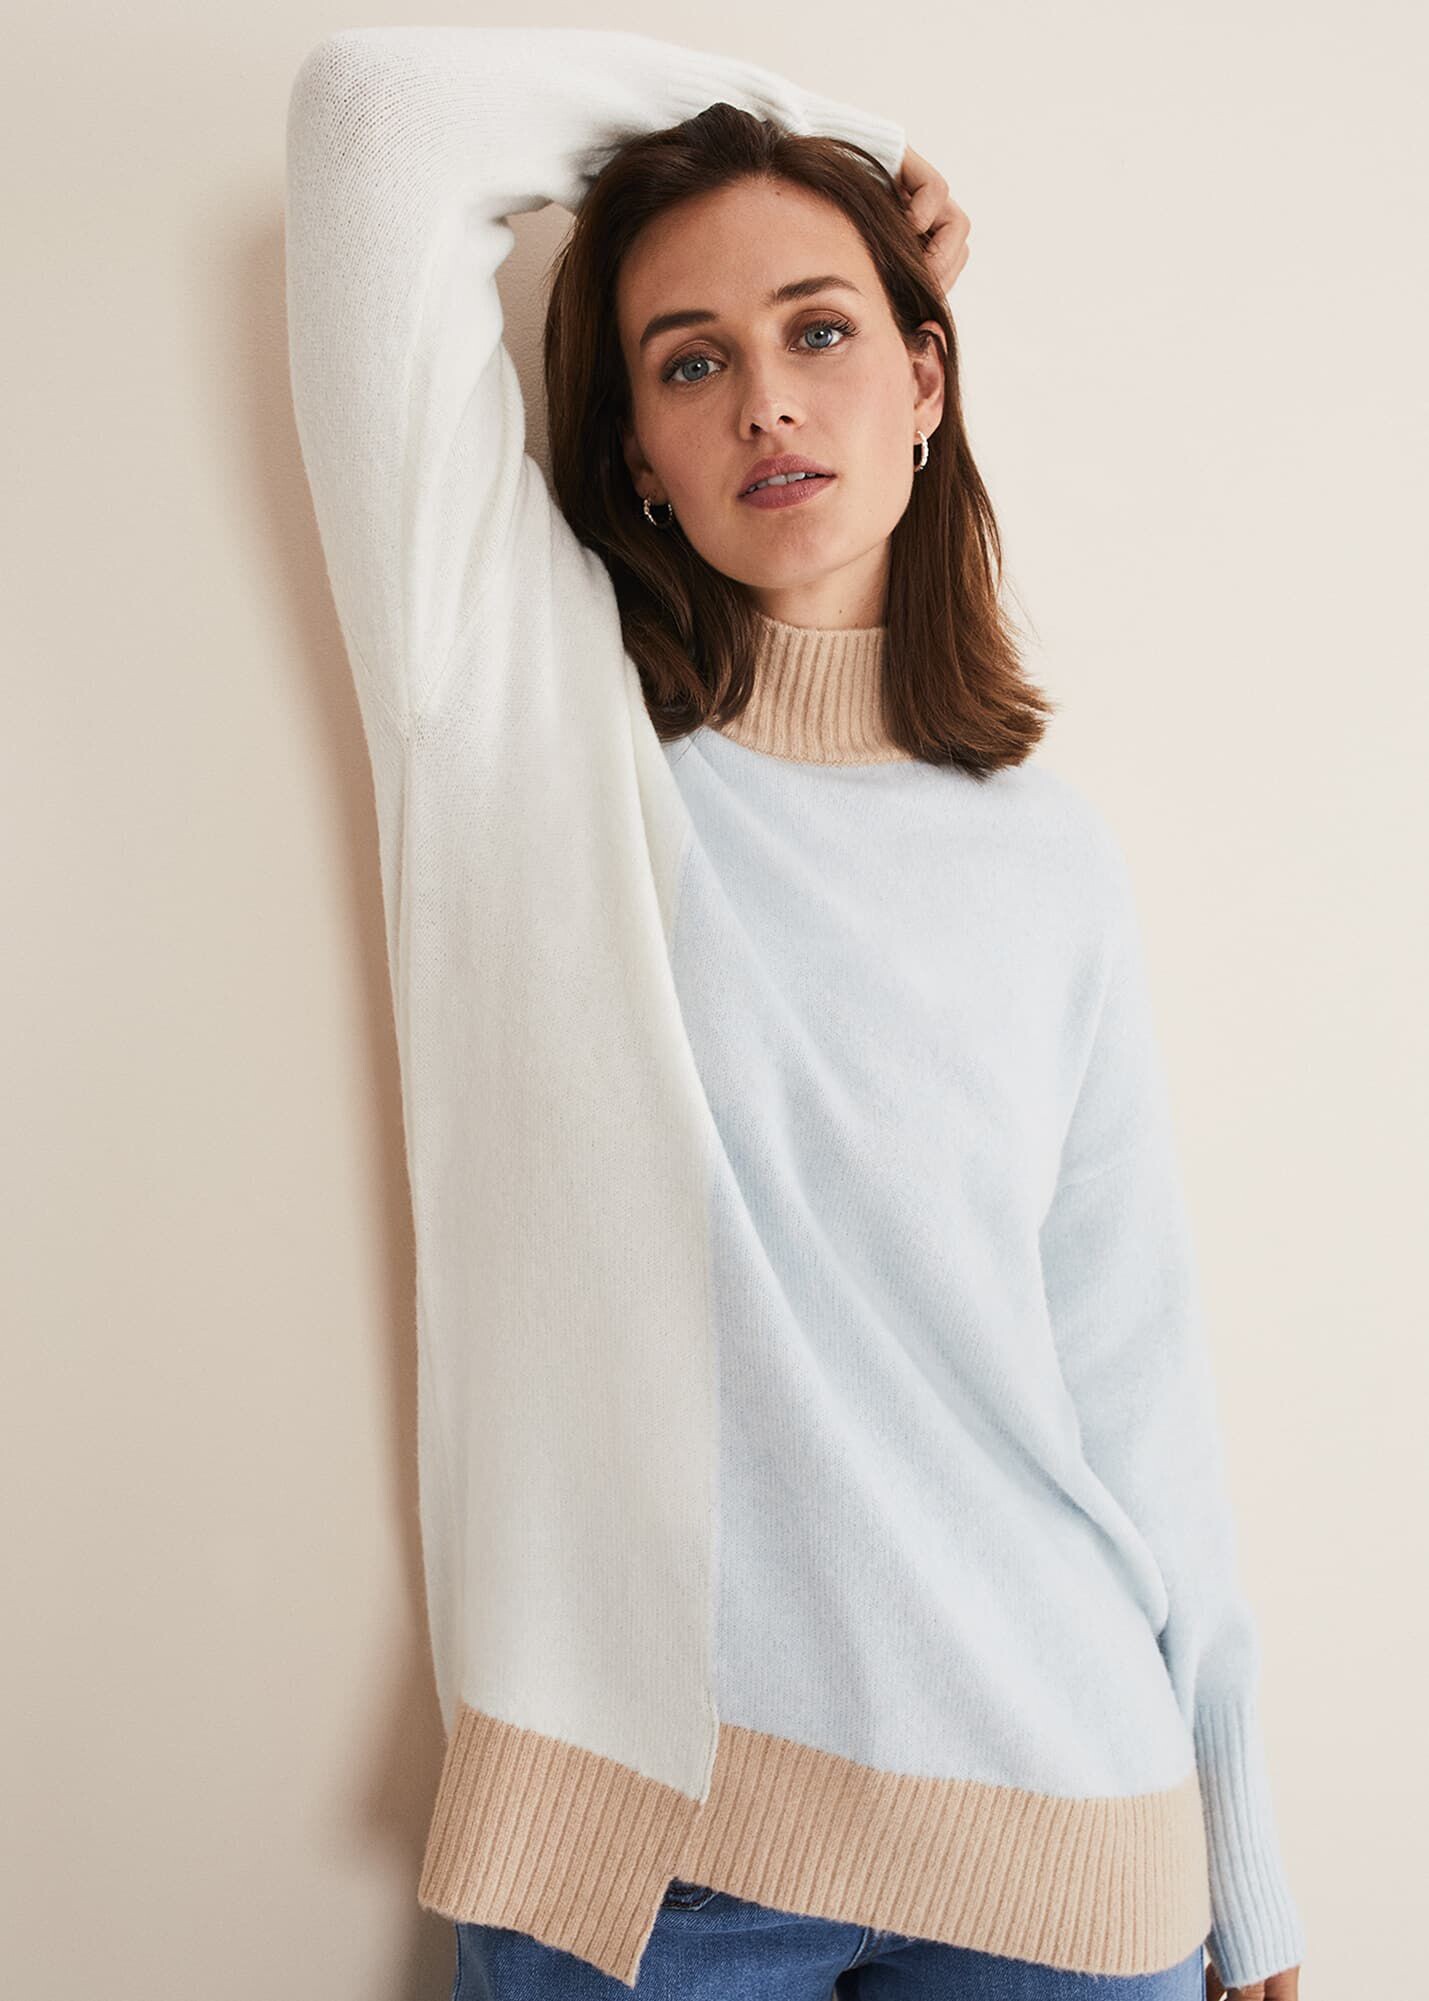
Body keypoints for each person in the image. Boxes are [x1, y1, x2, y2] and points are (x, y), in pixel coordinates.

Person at [283, 25, 1306, 2000]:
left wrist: (1242, 1848)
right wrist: (853, 147)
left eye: (823, 329)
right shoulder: (525, 730)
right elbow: (373, 121)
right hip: (646, 1861)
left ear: (926, 379)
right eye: (689, 361)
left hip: (1068, 1831)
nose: (763, 395)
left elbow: (1131, 1376)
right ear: (632, 455)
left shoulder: (1046, 857)